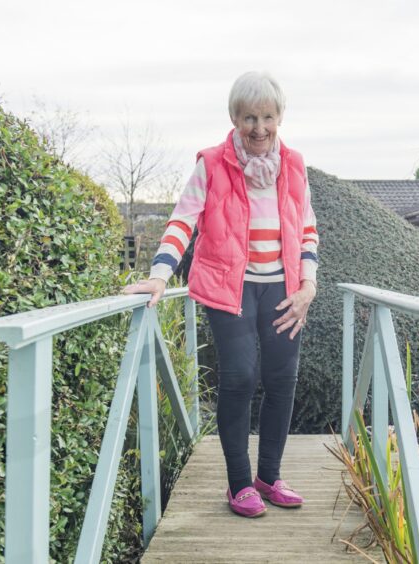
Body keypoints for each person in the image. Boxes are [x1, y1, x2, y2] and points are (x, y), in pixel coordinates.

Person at [123, 71, 319, 518]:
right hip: (228, 286)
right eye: (249, 117)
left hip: (283, 286)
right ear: (235, 117)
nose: (259, 128)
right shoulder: (211, 163)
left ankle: (269, 476)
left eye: (268, 117)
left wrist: (309, 282)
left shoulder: (294, 164)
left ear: (279, 117)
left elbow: (307, 228)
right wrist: (159, 275)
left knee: (283, 378)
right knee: (239, 377)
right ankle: (238, 484)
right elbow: (182, 220)